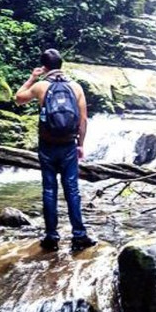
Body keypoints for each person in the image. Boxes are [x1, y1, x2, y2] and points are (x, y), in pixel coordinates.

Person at [14, 49, 96, 252]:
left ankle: (51, 237)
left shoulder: (41, 86)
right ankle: (79, 235)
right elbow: (83, 120)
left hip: (47, 146)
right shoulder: (75, 87)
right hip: (69, 145)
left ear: (45, 67)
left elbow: (18, 98)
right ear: (61, 65)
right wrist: (80, 145)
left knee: (49, 190)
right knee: (72, 190)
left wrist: (33, 77)